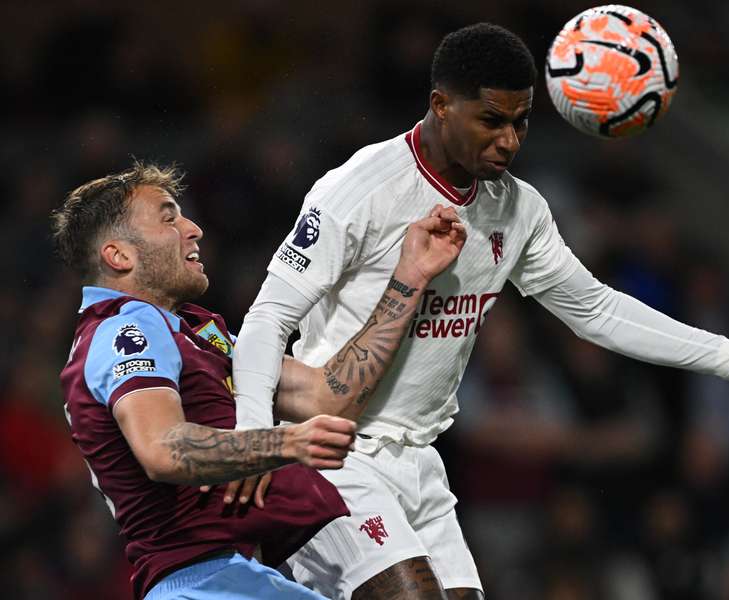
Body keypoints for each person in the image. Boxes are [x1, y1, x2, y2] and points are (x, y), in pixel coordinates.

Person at [231, 23, 729, 600]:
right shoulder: (360, 189)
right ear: (441, 104)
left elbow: (598, 311)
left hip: (421, 464)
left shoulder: (518, 211)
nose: (509, 140)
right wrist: (251, 442)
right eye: (491, 120)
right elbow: (265, 320)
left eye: (522, 123)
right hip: (335, 453)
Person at [53, 161, 467, 599]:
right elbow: (162, 449)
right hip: (198, 585)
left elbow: (323, 395)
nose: (193, 229)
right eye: (169, 218)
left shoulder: (194, 332)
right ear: (120, 256)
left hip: (241, 577)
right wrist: (282, 443)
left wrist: (408, 279)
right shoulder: (124, 329)